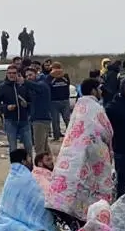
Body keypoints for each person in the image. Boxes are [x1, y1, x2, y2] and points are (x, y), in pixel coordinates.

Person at [45, 80, 116, 223]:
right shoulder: (95, 107)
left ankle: (70, 213)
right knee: (93, 183)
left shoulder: (78, 106)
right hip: (92, 153)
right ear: (94, 91)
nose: (101, 92)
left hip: (74, 151)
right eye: (99, 89)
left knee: (75, 181)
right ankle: (90, 216)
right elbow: (106, 131)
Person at [0, 66, 34, 155]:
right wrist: (6, 107)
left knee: (29, 146)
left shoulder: (23, 86)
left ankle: (29, 167)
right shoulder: (3, 87)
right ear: (7, 74)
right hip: (10, 121)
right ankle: (15, 168)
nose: (12, 75)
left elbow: (31, 101)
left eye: (14, 73)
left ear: (18, 74)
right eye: (10, 73)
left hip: (24, 121)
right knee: (13, 148)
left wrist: (27, 104)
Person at [25, 66, 54, 155]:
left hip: (40, 120)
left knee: (39, 148)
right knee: (44, 147)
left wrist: (24, 81)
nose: (28, 77)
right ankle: (50, 166)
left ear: (36, 74)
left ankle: (41, 167)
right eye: (27, 76)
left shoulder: (42, 84)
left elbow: (37, 87)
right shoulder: (35, 86)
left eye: (30, 75)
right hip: (38, 119)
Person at [49, 63, 74, 139]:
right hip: (55, 101)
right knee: (57, 120)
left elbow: (67, 82)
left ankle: (70, 135)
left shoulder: (65, 76)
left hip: (62, 100)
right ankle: (57, 136)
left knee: (66, 120)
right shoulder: (50, 77)